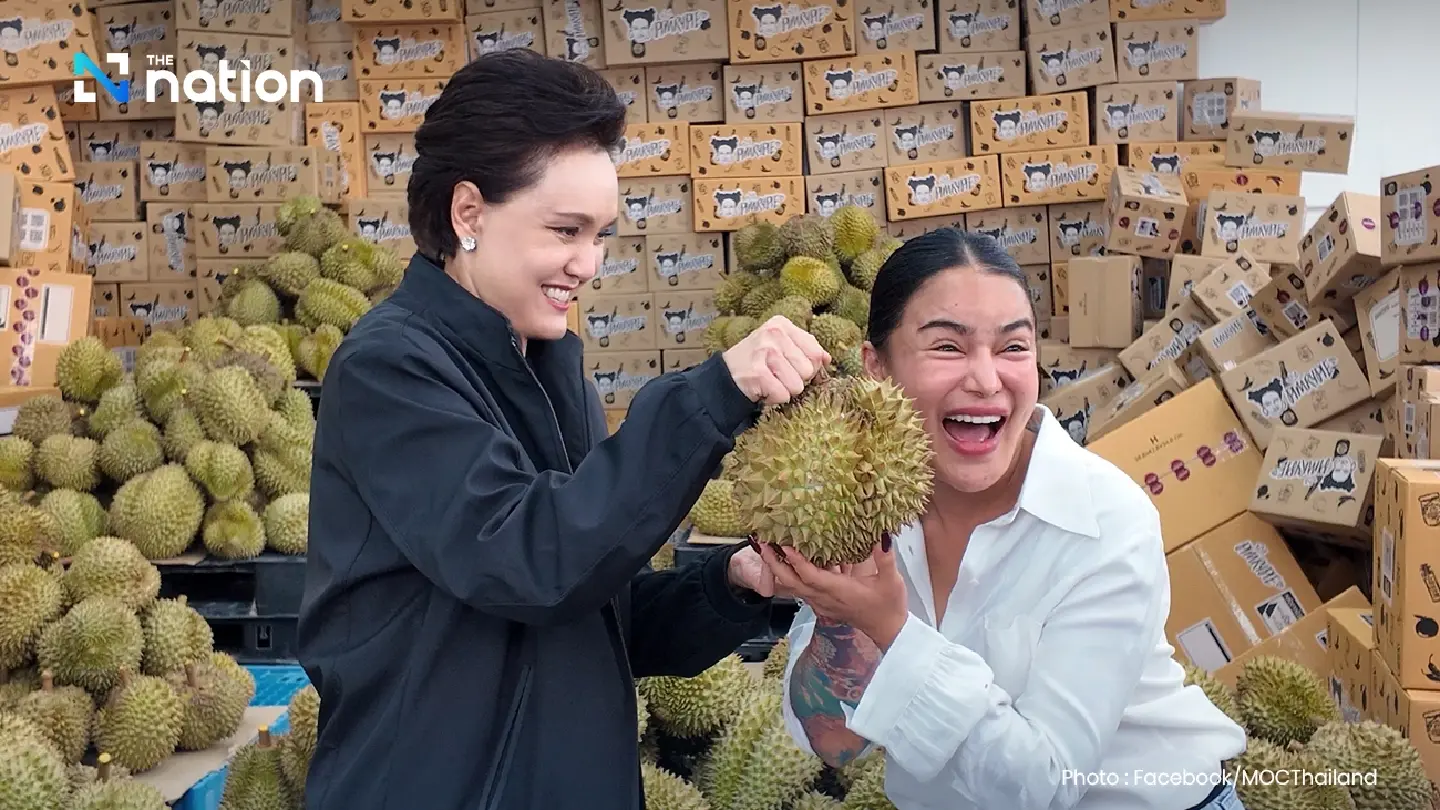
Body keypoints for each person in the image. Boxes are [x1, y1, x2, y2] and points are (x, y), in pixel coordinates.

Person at [295, 49, 830, 810]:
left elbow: (593, 611)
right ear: (469, 213)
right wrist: (711, 395)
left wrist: (734, 585)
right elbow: (530, 563)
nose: (589, 264)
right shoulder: (390, 371)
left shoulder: (551, 368)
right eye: (565, 230)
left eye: (601, 235)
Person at [758, 228, 1249, 810]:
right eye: (947, 346)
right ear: (877, 370)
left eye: (1013, 348)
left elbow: (1042, 786)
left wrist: (891, 628)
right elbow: (834, 744)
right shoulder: (862, 509)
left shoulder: (1107, 521)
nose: (987, 379)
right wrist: (841, 618)